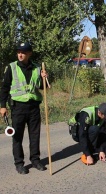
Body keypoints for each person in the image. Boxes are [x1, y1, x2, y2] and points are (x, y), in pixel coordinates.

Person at [0, 42, 48, 174]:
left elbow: (42, 87)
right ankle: (19, 163)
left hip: (33, 107)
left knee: (35, 135)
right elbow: (4, 88)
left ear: (29, 54)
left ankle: (36, 160)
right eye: (19, 52)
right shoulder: (11, 67)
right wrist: (2, 106)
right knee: (17, 137)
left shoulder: (38, 68)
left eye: (23, 52)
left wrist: (45, 78)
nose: (20, 54)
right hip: (18, 107)